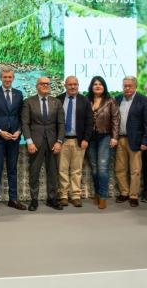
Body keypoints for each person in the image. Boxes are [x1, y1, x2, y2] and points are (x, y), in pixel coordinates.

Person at [21, 77, 65, 211]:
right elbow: (25, 123)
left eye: (47, 84)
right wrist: (29, 141)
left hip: (53, 143)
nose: (46, 86)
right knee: (34, 171)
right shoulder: (28, 102)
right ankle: (34, 200)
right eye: (43, 84)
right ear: (37, 86)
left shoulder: (56, 102)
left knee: (52, 172)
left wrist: (59, 141)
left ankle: (52, 199)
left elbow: (61, 124)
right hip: (35, 143)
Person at [0, 68, 26, 211]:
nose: (7, 79)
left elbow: (23, 116)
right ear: (0, 77)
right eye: (5, 77)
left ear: (13, 78)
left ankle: (13, 199)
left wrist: (19, 130)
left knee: (12, 169)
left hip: (14, 138)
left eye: (10, 77)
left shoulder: (19, 94)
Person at [114, 76, 147, 207]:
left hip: (136, 140)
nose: (127, 88)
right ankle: (124, 192)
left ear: (135, 86)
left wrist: (146, 141)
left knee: (135, 170)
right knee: (120, 169)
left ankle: (133, 195)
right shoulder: (118, 99)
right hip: (120, 139)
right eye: (125, 86)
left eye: (130, 86)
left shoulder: (144, 100)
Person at [56, 76, 93, 208]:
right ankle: (64, 195)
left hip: (79, 141)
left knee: (76, 170)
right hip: (62, 140)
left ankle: (76, 195)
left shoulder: (84, 100)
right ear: (65, 85)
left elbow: (90, 122)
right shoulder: (58, 100)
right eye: (70, 84)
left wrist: (86, 139)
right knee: (62, 169)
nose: (73, 87)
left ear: (78, 85)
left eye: (75, 84)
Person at [85, 76, 119, 209]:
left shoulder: (110, 101)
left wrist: (114, 137)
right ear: (91, 87)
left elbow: (115, 120)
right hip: (90, 138)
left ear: (104, 86)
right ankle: (98, 193)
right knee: (94, 167)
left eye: (100, 84)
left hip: (105, 136)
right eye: (95, 84)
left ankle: (103, 196)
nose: (97, 86)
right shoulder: (86, 100)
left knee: (103, 167)